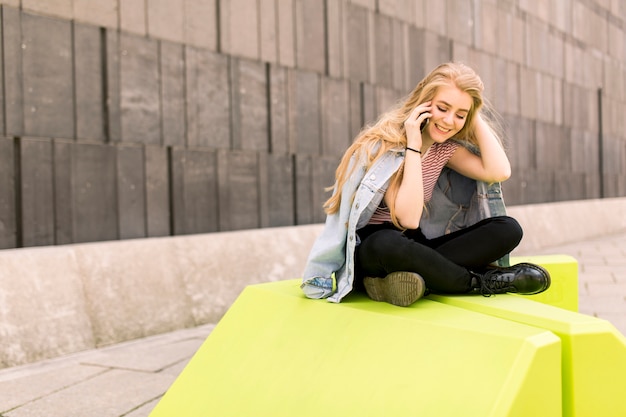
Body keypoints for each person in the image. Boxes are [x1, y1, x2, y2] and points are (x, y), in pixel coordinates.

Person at [301, 62, 550, 307]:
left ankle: (413, 280)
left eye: (459, 115)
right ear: (425, 102)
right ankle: (479, 282)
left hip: (415, 247)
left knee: (508, 229)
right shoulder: (386, 146)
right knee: (386, 242)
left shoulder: (445, 150)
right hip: (376, 251)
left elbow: (499, 171)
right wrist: (413, 145)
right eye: (443, 108)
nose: (449, 120)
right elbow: (407, 217)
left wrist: (472, 114)